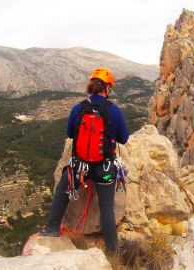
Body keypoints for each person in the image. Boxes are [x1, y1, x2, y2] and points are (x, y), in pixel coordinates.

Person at [40, 67, 129, 255]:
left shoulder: (78, 108)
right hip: (104, 166)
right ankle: (112, 250)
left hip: (80, 165)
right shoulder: (114, 111)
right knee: (106, 207)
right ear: (107, 89)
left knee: (62, 191)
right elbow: (123, 138)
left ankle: (52, 227)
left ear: (91, 86)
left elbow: (70, 134)